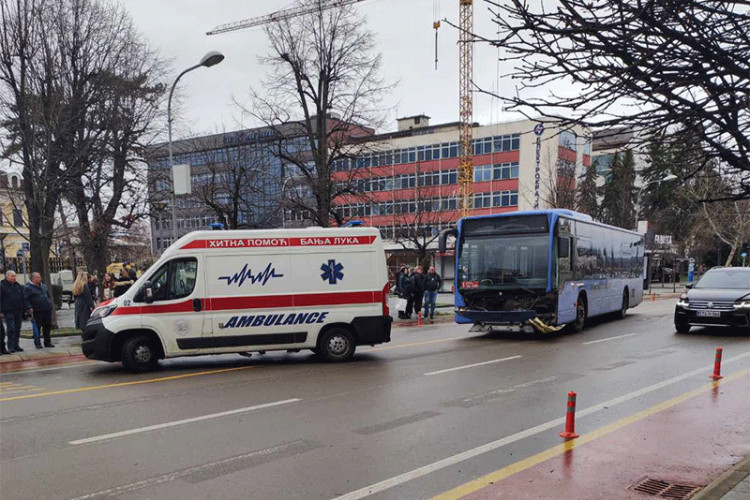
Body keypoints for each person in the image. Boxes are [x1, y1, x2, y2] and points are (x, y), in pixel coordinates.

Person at [23, 272, 54, 348]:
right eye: (38, 277)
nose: (40, 278)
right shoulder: (28, 288)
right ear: (33, 278)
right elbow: (26, 299)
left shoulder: (43, 286)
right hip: (36, 310)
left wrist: (49, 303)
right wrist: (29, 307)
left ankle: (47, 342)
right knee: (37, 327)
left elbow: (47, 295)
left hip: (46, 309)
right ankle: (37, 343)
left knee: (47, 326)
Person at [1, 270, 26, 353]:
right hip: (8, 311)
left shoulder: (18, 286)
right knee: (11, 329)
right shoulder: (2, 286)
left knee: (17, 328)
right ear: (7, 276)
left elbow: (23, 298)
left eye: (15, 276)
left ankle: (16, 345)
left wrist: (25, 309)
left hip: (18, 310)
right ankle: (10, 346)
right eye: (12, 276)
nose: (14, 278)